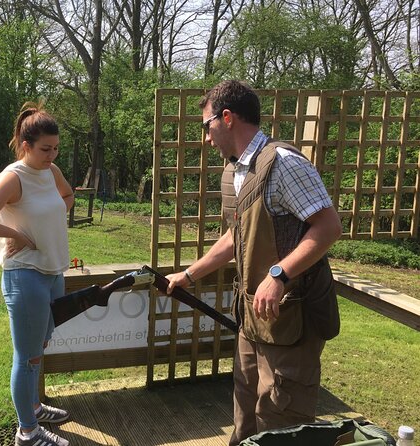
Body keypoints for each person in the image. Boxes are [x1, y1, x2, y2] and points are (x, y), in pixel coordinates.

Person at [165, 80, 342, 445]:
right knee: (247, 410)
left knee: (281, 416)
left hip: (292, 318)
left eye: (206, 126)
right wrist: (189, 274)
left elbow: (328, 226)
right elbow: (237, 236)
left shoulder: (283, 163)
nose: (206, 138)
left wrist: (279, 274)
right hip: (253, 317)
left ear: (226, 117)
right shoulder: (237, 171)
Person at [0, 102, 74, 446]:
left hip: (53, 271)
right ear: (25, 145)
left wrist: (48, 220)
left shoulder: (51, 172)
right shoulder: (13, 177)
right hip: (25, 275)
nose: (52, 155)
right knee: (27, 357)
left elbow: (67, 197)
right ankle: (27, 431)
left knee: (39, 347)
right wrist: (15, 235)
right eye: (45, 149)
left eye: (56, 148)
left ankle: (33, 407)